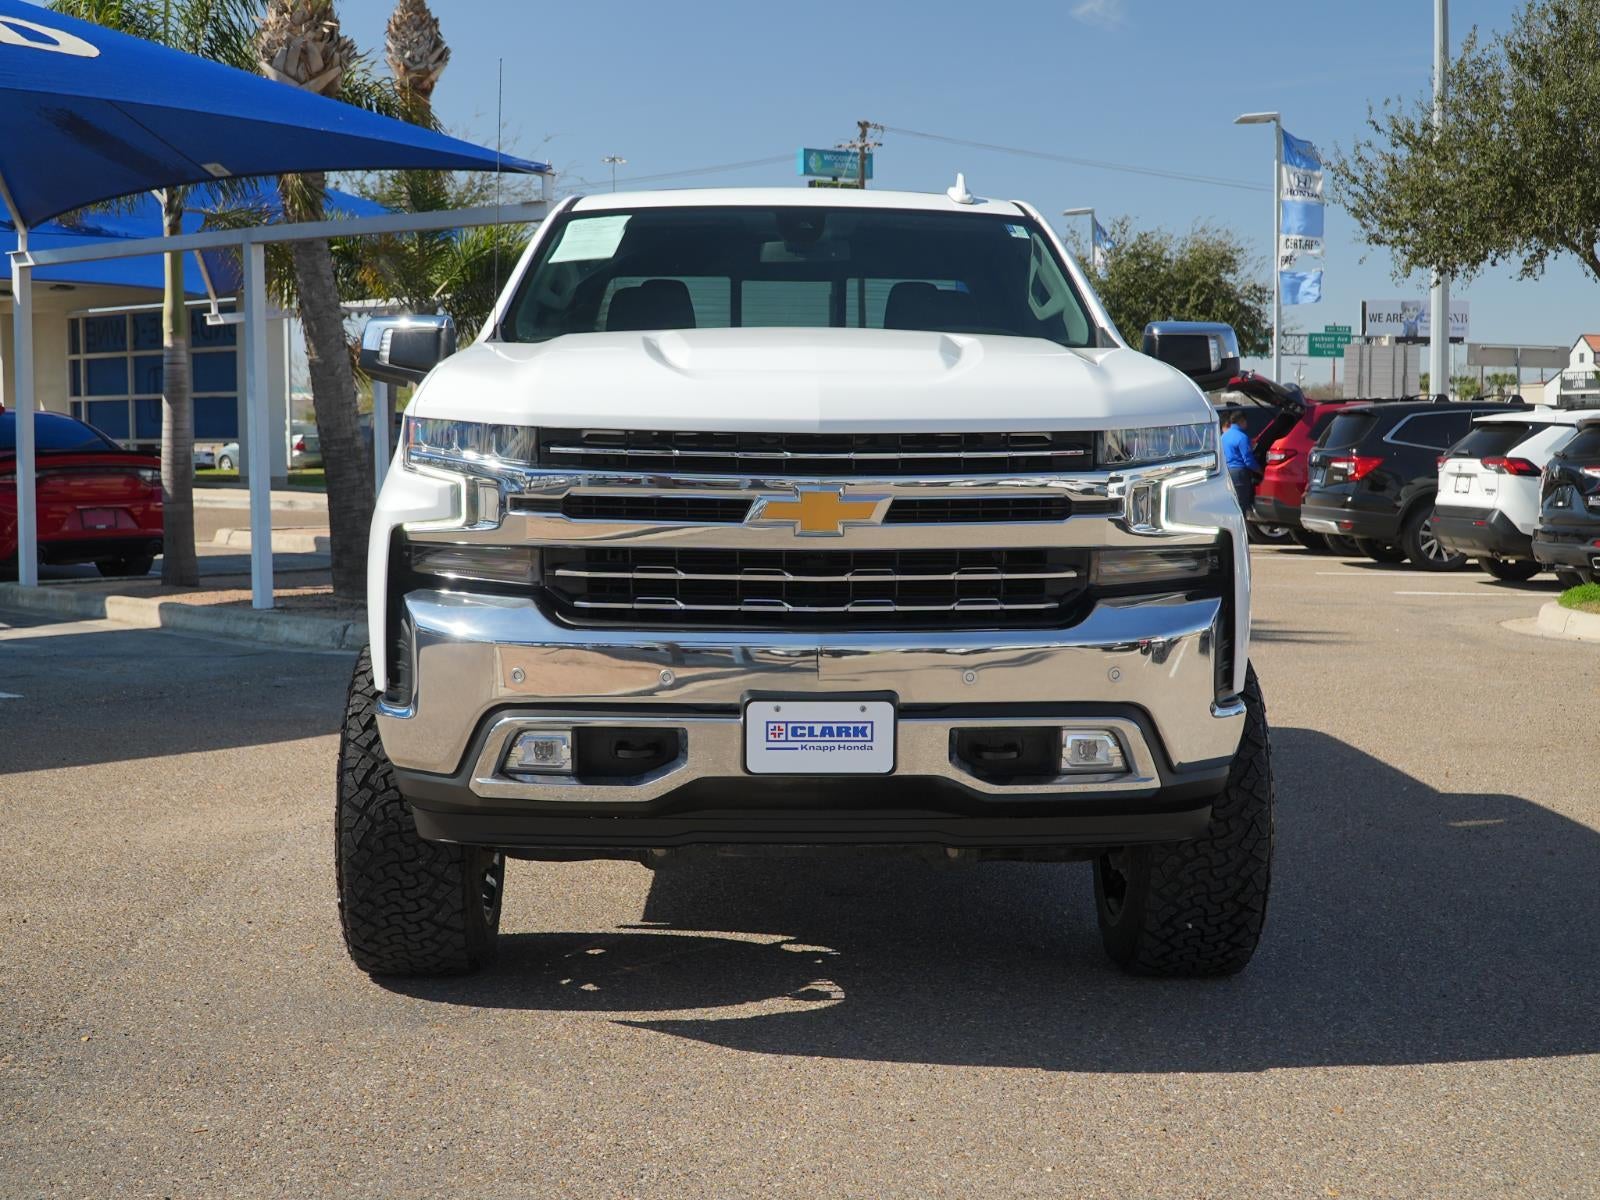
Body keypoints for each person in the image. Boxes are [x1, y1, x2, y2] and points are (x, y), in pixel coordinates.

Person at [1221, 410, 1262, 513]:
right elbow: (1248, 461)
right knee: (1241, 505)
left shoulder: (1223, 437)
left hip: (1226, 472)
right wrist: (1260, 471)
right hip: (1240, 474)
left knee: (1231, 503)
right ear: (1242, 421)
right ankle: (1240, 528)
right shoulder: (1242, 437)